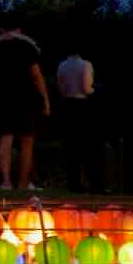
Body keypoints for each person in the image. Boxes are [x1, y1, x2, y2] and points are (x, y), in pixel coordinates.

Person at [0, 21, 50, 191]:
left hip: (4, 99)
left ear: (2, 29)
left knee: (6, 139)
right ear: (19, 29)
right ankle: (23, 183)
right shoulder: (27, 46)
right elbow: (36, 75)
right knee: (27, 142)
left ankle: (5, 181)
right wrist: (45, 100)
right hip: (27, 98)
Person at [54, 47, 97, 190]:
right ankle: (91, 181)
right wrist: (93, 90)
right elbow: (86, 87)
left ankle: (73, 181)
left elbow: (60, 87)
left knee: (70, 146)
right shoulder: (86, 65)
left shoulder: (62, 65)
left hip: (67, 105)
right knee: (87, 145)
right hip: (82, 105)